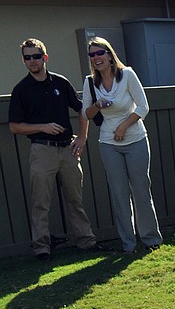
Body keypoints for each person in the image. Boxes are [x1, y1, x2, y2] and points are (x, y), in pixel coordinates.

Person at [8, 37, 100, 261]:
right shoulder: (21, 90)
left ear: (45, 58)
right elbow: (14, 126)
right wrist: (42, 127)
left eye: (36, 57)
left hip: (68, 149)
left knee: (75, 199)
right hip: (42, 150)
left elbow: (82, 110)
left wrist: (83, 138)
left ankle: (86, 242)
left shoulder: (60, 83)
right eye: (27, 58)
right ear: (24, 61)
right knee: (41, 202)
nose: (32, 61)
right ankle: (41, 248)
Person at [82, 37, 162, 254]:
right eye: (92, 55)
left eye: (100, 53)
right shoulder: (90, 82)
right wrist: (97, 105)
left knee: (141, 190)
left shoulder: (126, 74)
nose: (96, 58)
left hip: (135, 139)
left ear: (109, 55)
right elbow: (86, 114)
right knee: (119, 194)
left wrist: (123, 127)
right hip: (108, 144)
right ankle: (128, 243)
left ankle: (151, 239)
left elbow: (143, 107)